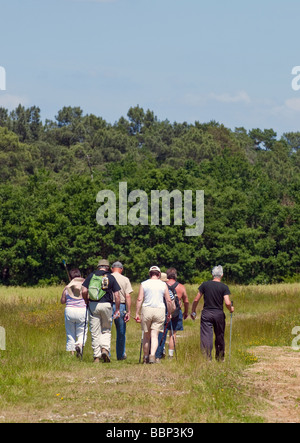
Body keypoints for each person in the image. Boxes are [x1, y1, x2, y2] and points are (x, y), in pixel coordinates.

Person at [190, 265, 234, 361]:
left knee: (206, 335)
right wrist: (231, 308)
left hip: (207, 313)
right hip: (218, 313)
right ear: (221, 275)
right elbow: (227, 302)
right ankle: (220, 357)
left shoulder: (205, 285)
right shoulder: (224, 287)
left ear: (212, 274)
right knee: (219, 335)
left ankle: (207, 357)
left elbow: (196, 299)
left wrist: (193, 310)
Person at [82, 259, 120, 363]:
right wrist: (117, 309)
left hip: (93, 305)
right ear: (108, 267)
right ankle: (104, 349)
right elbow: (117, 295)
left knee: (95, 331)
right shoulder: (111, 277)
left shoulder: (91, 276)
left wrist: (86, 301)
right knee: (106, 329)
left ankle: (96, 357)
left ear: (98, 267)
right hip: (107, 305)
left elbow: (84, 290)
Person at [135, 266, 173, 364]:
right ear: (159, 274)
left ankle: (145, 357)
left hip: (147, 309)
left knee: (146, 336)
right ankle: (152, 355)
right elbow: (168, 300)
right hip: (159, 309)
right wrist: (169, 313)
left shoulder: (144, 284)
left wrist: (137, 313)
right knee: (155, 335)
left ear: (149, 274)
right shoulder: (163, 285)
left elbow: (139, 299)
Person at [156, 268, 189, 361]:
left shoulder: (163, 285)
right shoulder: (181, 287)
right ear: (176, 275)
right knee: (173, 333)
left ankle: (160, 351)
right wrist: (186, 312)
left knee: (161, 332)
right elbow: (186, 301)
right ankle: (170, 355)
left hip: (164, 311)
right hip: (176, 312)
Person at [60, 268, 87, 357]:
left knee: (70, 333)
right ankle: (79, 345)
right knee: (82, 331)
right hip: (82, 310)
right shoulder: (84, 286)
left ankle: (71, 353)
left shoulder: (67, 287)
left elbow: (62, 301)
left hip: (69, 310)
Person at [111, 261, 133, 360]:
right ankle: (120, 355)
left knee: (106, 331)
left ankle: (105, 352)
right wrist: (128, 311)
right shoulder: (125, 279)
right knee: (121, 332)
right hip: (121, 306)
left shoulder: (106, 277)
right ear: (122, 269)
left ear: (112, 268)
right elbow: (128, 296)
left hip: (108, 305)